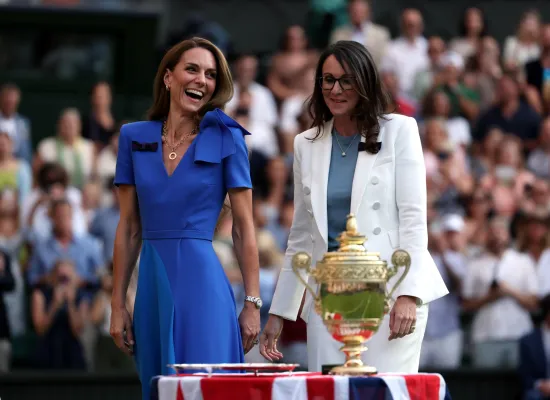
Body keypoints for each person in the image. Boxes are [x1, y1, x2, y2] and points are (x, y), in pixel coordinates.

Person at [259, 40, 449, 373]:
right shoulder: (305, 144)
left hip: (391, 294)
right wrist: (279, 312)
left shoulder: (400, 130)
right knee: (332, 392)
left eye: (346, 80)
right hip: (328, 299)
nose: (335, 89)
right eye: (328, 80)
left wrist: (408, 294)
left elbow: (413, 219)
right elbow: (301, 236)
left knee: (386, 392)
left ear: (364, 82)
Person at [109, 37, 261, 400]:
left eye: (210, 74)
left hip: (204, 289)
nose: (201, 80)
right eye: (192, 69)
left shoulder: (227, 136)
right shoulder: (133, 137)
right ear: (168, 77)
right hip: (151, 290)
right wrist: (117, 305)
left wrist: (252, 303)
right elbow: (129, 228)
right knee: (160, 390)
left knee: (207, 390)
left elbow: (244, 228)